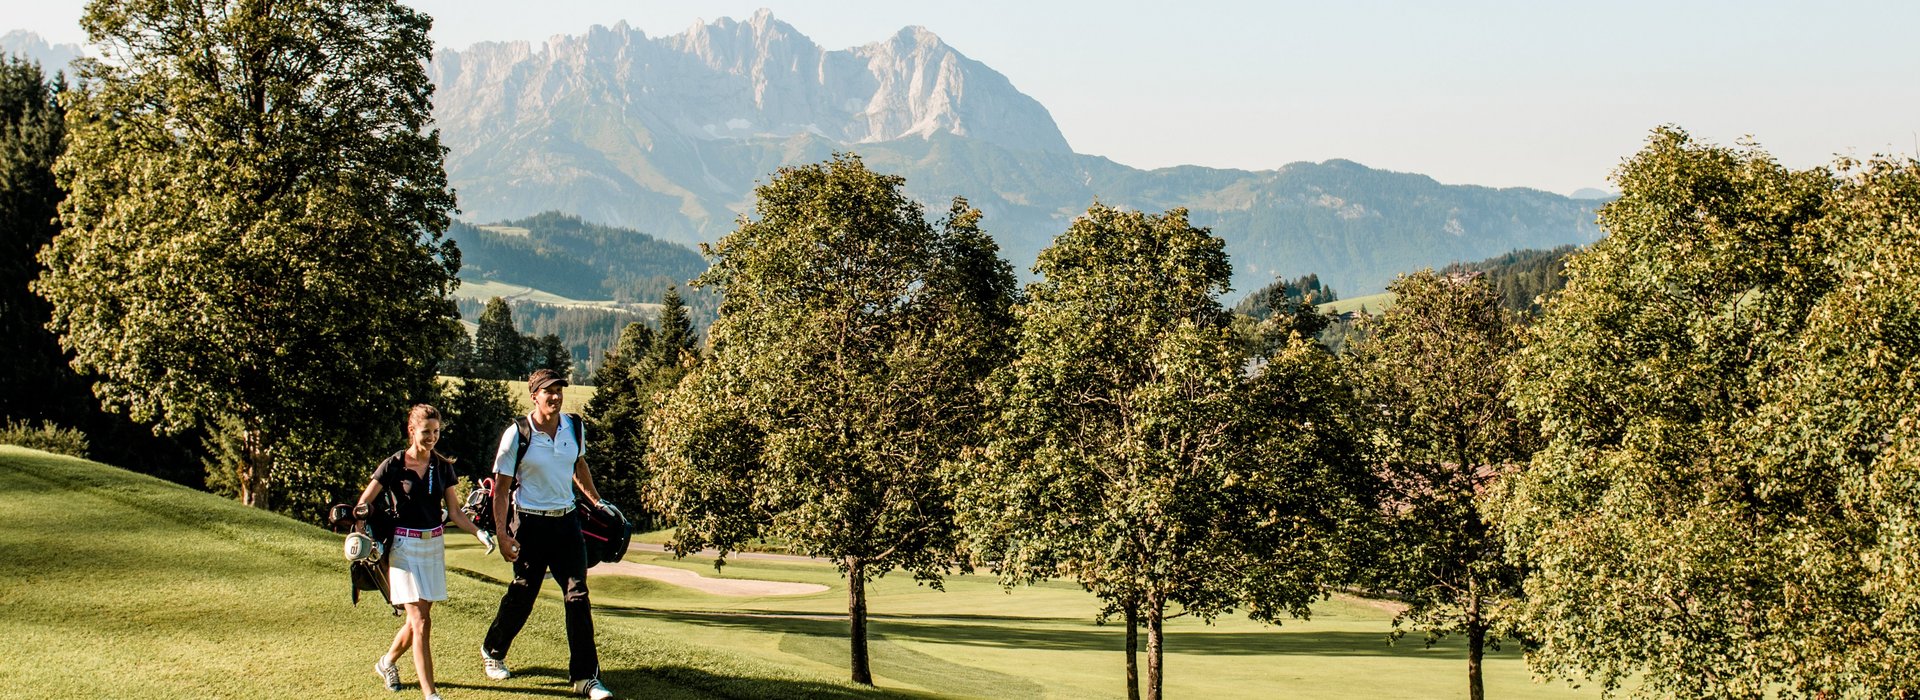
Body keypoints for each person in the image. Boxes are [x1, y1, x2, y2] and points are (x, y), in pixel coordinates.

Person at [480, 369, 617, 700]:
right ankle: (493, 649)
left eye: (558, 390)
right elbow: (501, 489)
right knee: (524, 594)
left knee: (578, 596)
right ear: (534, 396)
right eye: (548, 391)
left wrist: (597, 502)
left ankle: (585, 678)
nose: (555, 396)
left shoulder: (574, 427)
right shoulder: (518, 434)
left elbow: (578, 466)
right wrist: (501, 533)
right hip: (529, 525)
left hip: (567, 523)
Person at [358, 404, 495, 700]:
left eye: (436, 432)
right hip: (403, 548)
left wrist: (479, 532)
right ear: (412, 430)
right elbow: (365, 503)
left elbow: (455, 512)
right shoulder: (393, 464)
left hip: (433, 545)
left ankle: (387, 662)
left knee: (415, 620)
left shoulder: (443, 466)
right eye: (426, 432)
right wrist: (358, 530)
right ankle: (430, 693)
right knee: (421, 622)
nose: (432, 437)